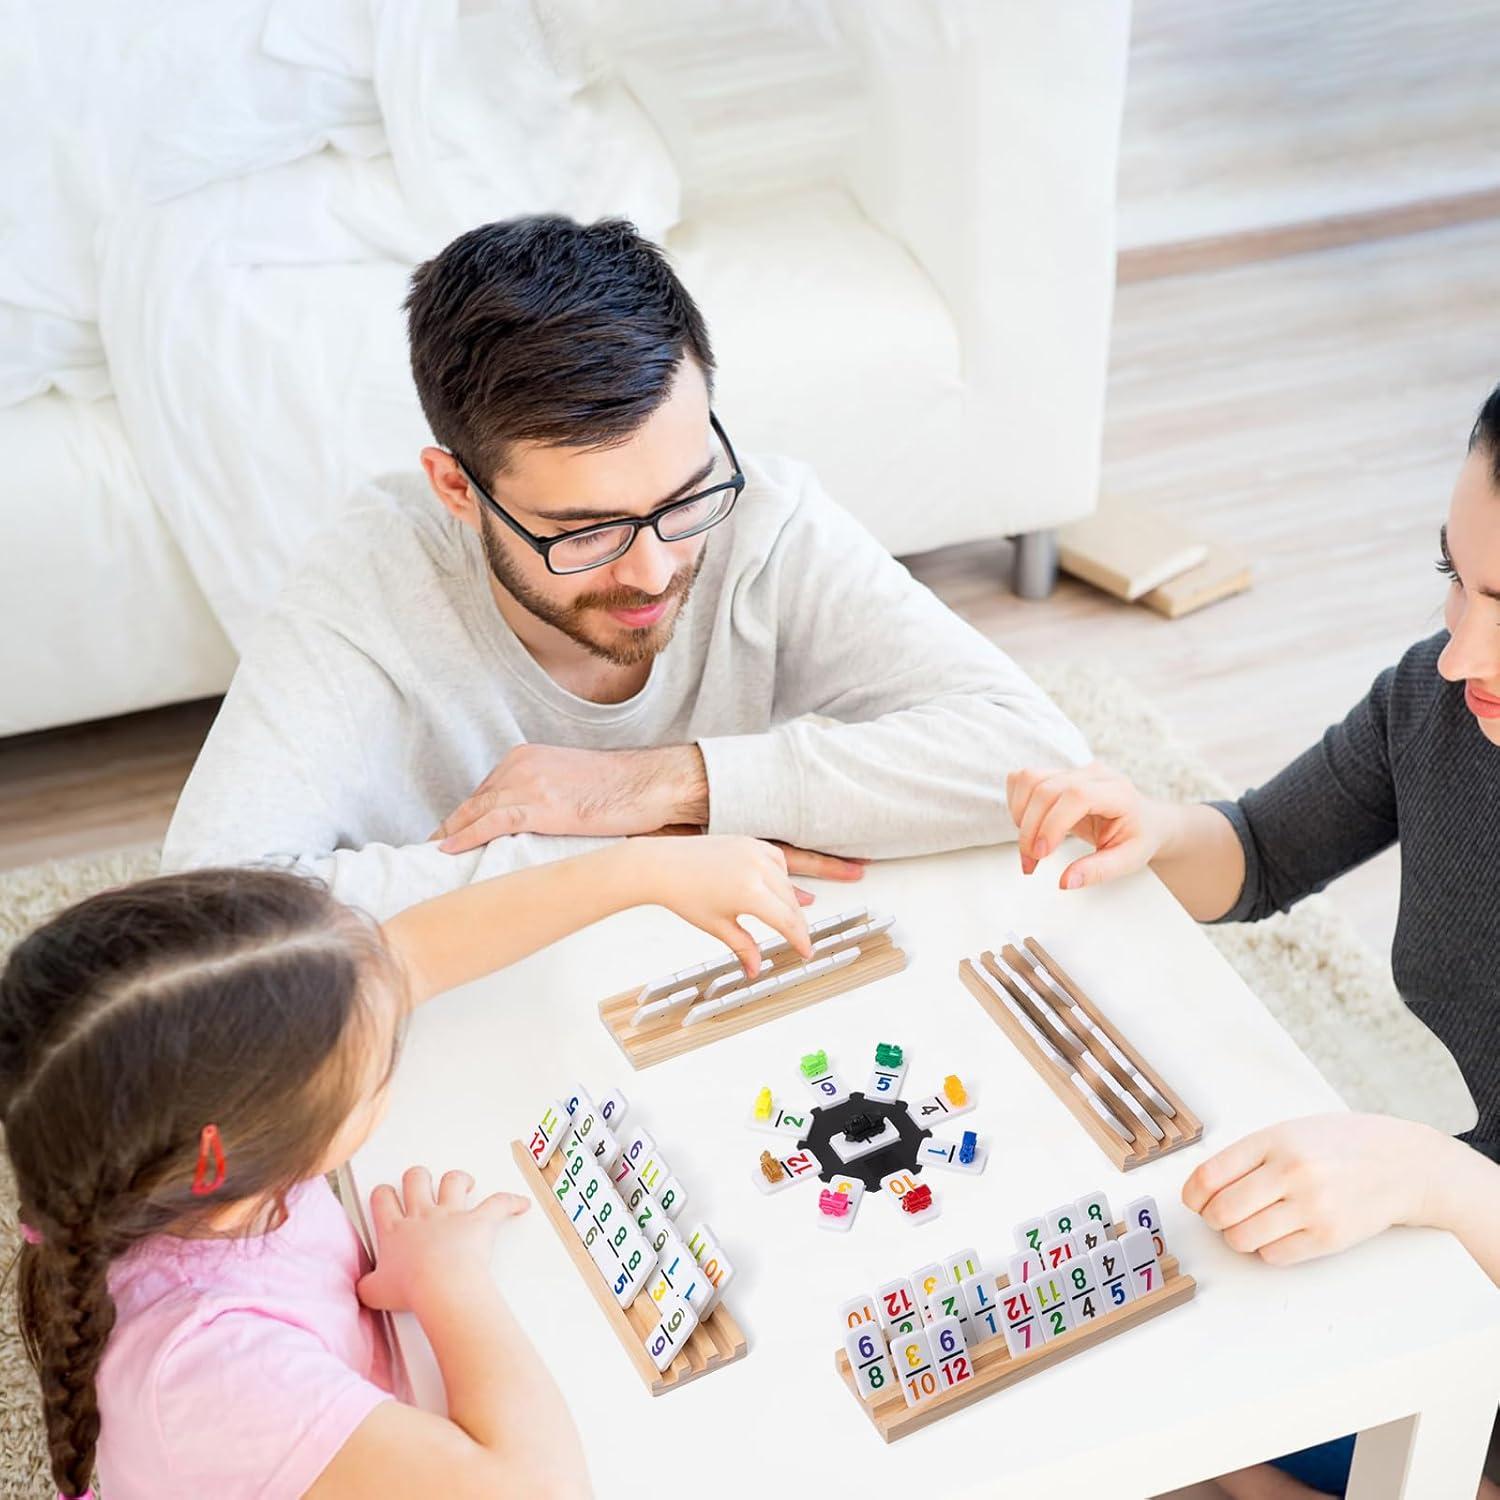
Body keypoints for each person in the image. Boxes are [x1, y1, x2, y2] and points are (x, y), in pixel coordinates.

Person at [160, 214, 1088, 920]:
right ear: (456, 489)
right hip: (474, 984)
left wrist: (667, 787)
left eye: (685, 499)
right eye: (585, 532)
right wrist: (631, 863)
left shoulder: (761, 514)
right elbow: (209, 911)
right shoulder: (371, 578)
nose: (653, 570)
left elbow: (1037, 759)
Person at [1006, 382, 1500, 1498]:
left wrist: (1435, 1176)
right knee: (1139, 1357)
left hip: (1469, 1229)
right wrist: (1153, 827)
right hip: (1466, 1252)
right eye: (1454, 578)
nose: (1460, 650)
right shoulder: (1440, 704)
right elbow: (1261, 852)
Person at [1, 834, 812, 1499]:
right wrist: (448, 1280)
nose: (394, 1040)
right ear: (238, 1153)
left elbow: (408, 957)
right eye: (376, 1069)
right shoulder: (208, 1373)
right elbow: (541, 1490)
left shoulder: (166, 1149)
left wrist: (644, 868)